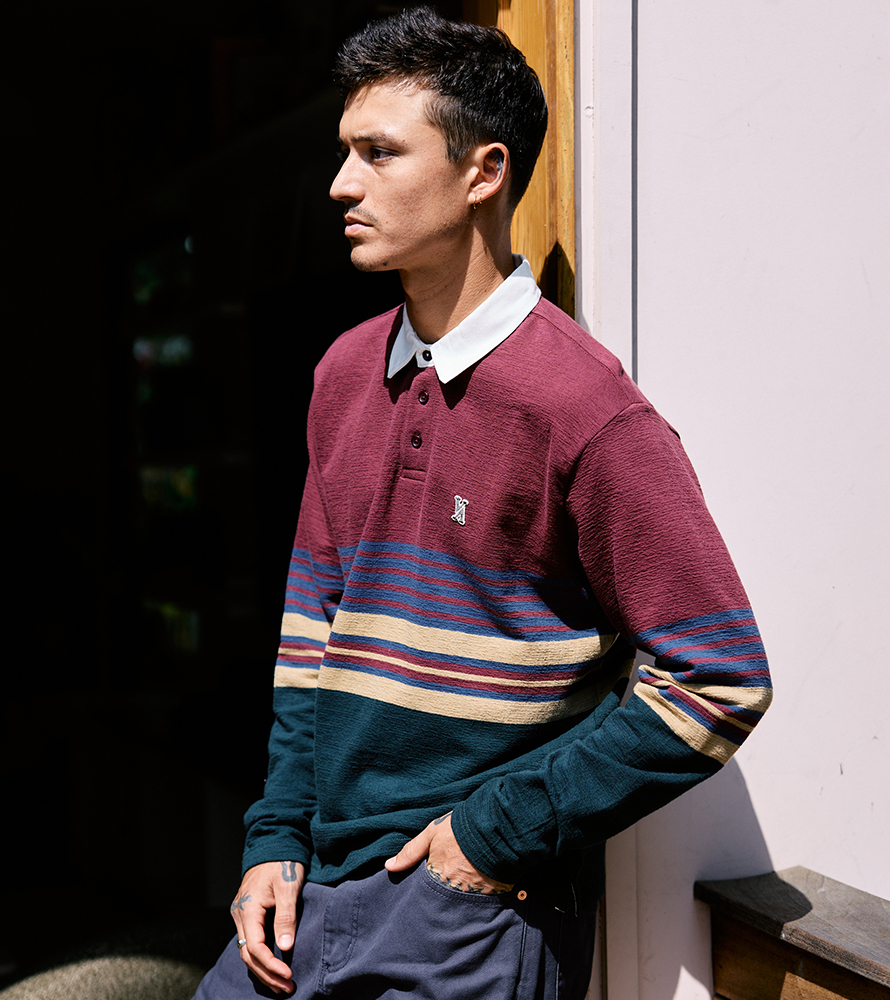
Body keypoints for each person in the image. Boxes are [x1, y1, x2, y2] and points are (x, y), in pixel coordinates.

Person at [194, 7, 772, 999]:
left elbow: (720, 677)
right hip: (308, 896)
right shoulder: (341, 374)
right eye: (345, 151)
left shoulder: (583, 406)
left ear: (483, 172)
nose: (341, 183)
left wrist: (489, 835)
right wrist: (274, 835)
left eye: (379, 153)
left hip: (466, 918)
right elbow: (311, 633)